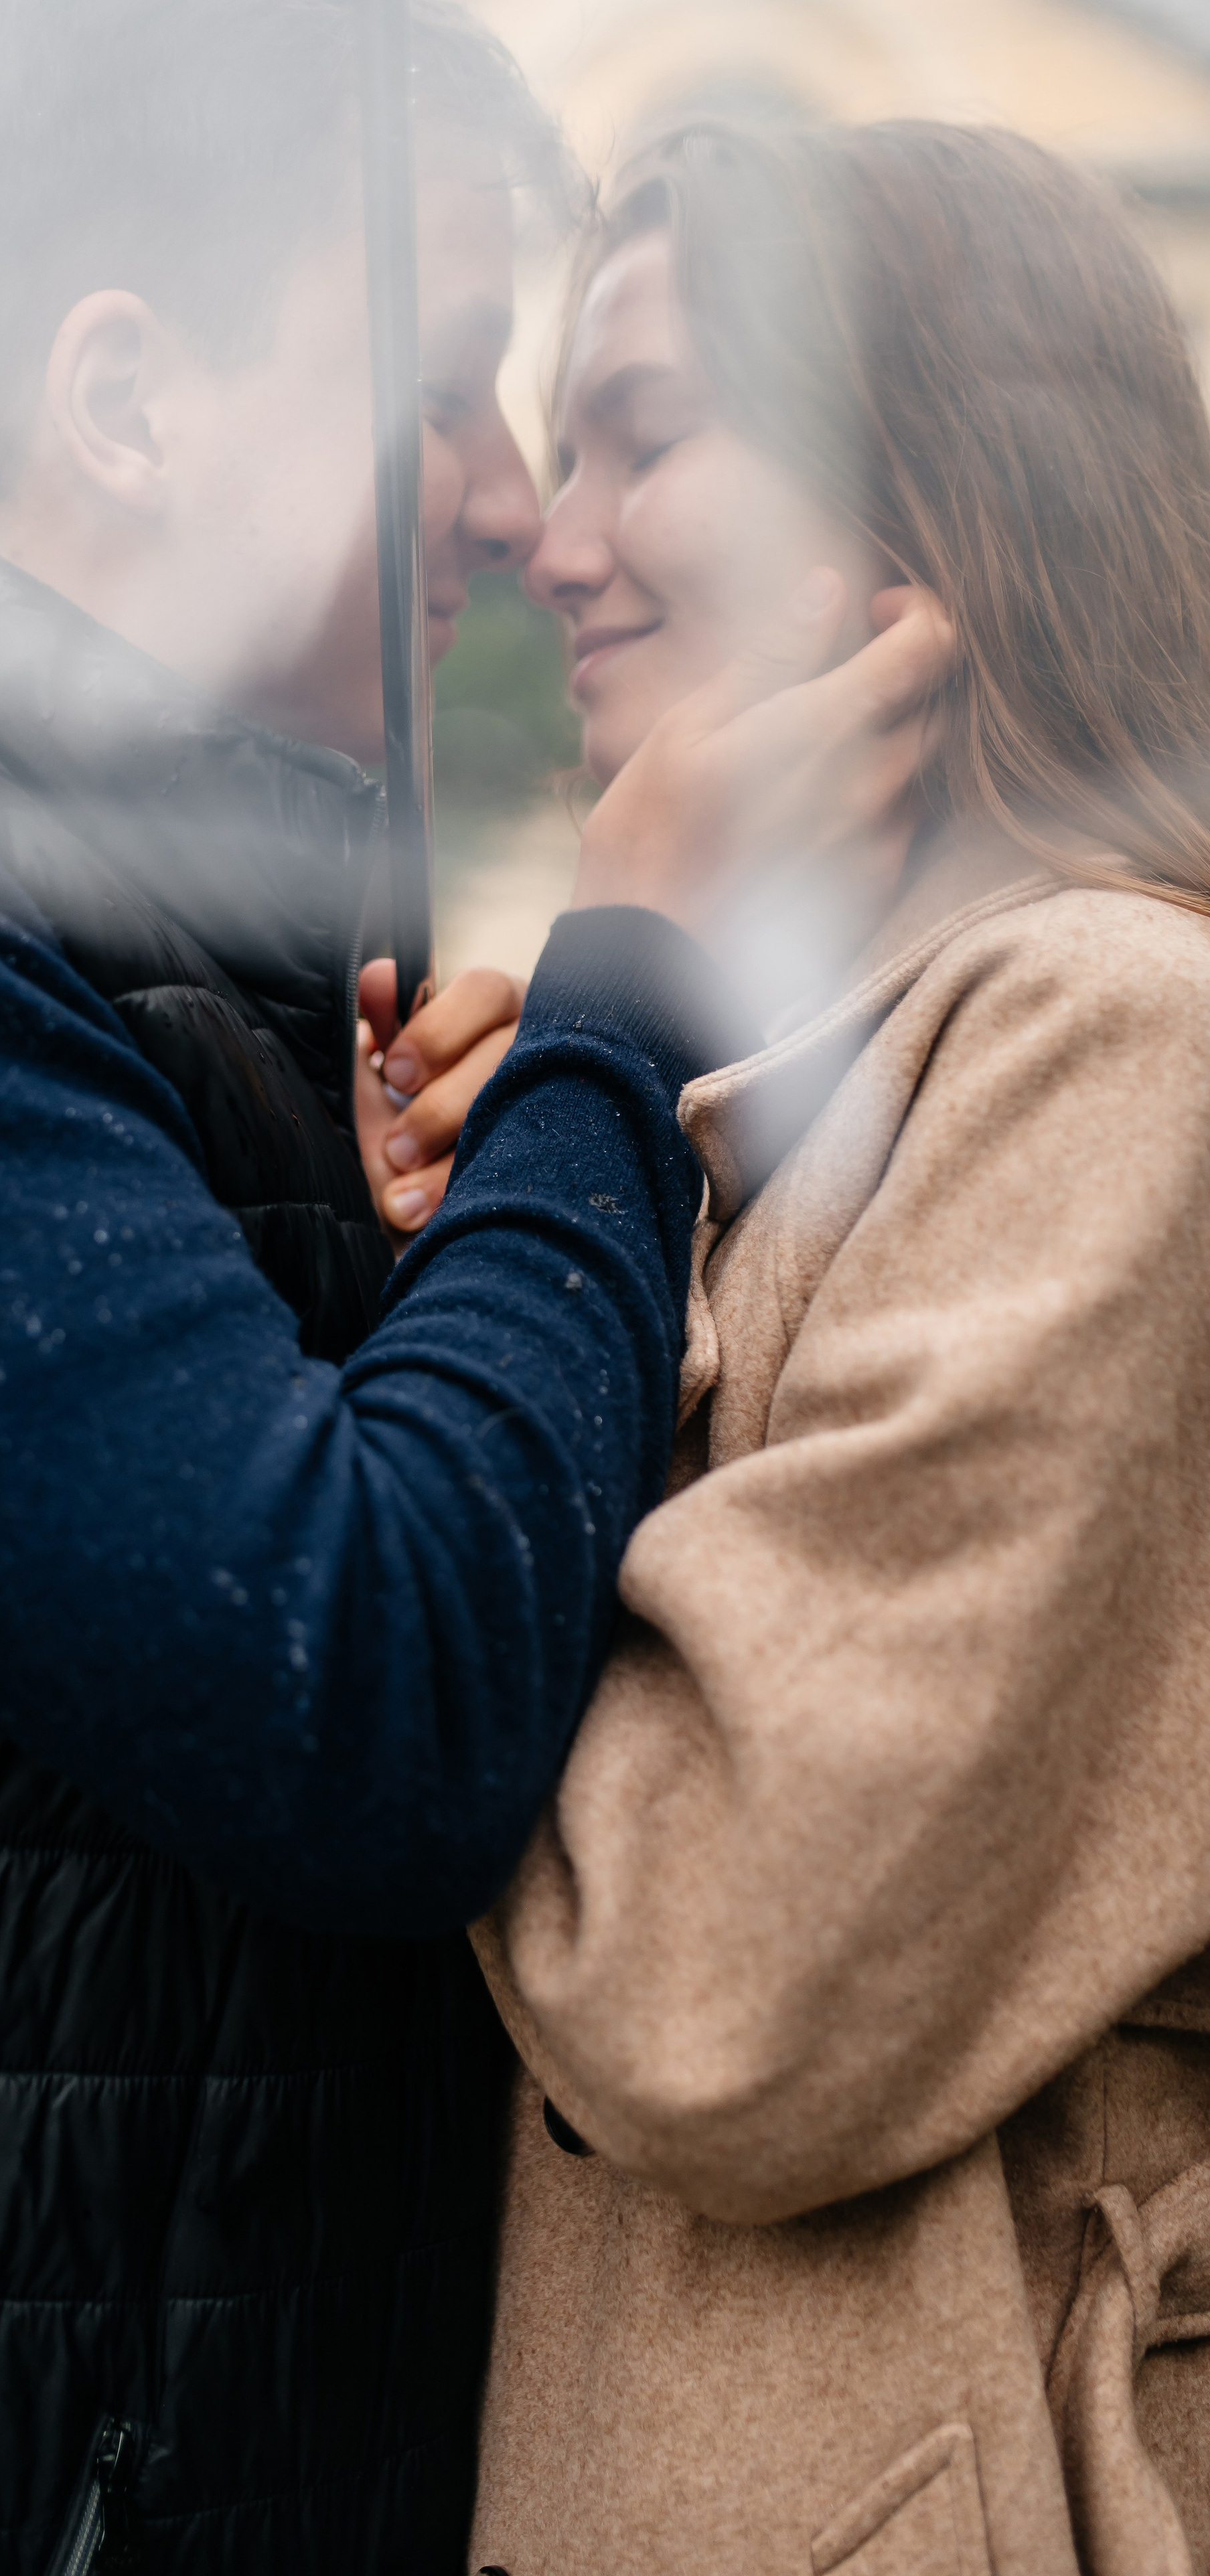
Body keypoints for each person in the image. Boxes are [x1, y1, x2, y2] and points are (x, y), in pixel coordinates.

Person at [0, 11, 944, 2571]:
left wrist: (461, 1216)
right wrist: (627, 995)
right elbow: (367, 1707)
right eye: (445, 389)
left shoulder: (146, 928)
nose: (514, 509)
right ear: (130, 400)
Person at [468, 117, 1210, 2576]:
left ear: (928, 516)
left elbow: (709, 1975)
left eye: (648, 433)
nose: (554, 538)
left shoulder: (1113, 1046)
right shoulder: (811, 1091)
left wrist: (466, 1354)